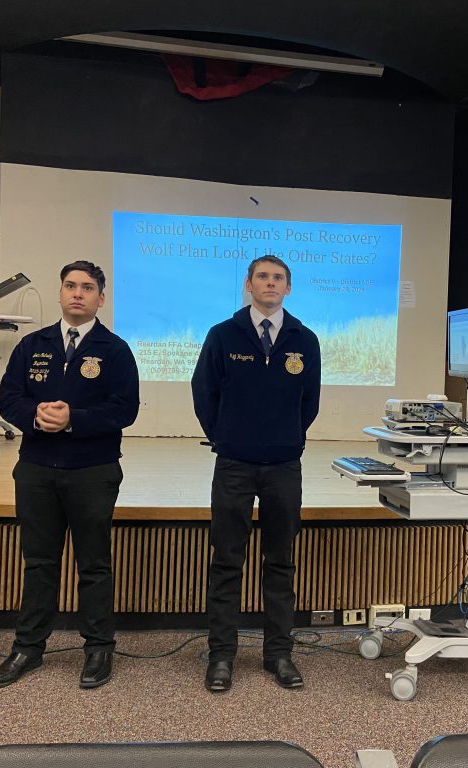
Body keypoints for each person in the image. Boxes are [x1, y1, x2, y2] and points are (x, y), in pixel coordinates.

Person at [0, 261, 139, 689]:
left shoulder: (115, 350)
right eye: (70, 286)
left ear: (100, 299)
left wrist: (74, 419)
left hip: (93, 471)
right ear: (60, 293)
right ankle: (28, 648)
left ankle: (98, 648)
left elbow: (124, 409)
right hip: (36, 470)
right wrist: (35, 416)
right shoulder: (33, 345)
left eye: (87, 288)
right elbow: (8, 399)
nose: (77, 293)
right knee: (38, 563)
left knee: (94, 565)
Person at [191, 255, 321, 692]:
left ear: (288, 287)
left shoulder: (305, 340)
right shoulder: (222, 335)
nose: (270, 283)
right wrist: (225, 436)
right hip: (234, 464)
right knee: (227, 561)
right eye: (262, 277)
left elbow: (310, 402)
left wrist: (287, 437)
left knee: (280, 562)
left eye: (278, 278)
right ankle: (221, 656)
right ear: (248, 284)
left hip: (284, 466)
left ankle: (278, 654)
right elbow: (203, 392)